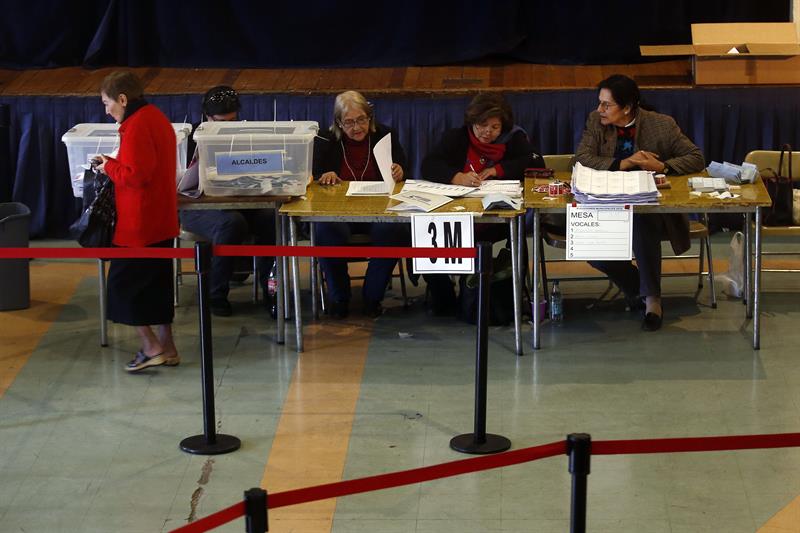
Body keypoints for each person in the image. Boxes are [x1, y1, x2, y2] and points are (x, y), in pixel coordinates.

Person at [574, 74, 705, 331]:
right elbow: (582, 158)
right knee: (583, 238)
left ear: (627, 107)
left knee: (642, 220)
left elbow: (696, 157)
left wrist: (663, 166)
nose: (599, 109)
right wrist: (625, 163)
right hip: (605, 205)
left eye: (606, 105)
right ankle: (640, 288)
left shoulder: (661, 125)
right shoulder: (595, 121)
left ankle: (653, 301)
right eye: (599, 102)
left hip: (648, 209)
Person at [421, 92, 544, 315]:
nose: (487, 132)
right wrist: (456, 176)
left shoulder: (513, 138)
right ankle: (445, 298)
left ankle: (508, 296)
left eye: (494, 127)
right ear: (472, 122)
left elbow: (535, 161)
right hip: (457, 216)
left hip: (497, 219)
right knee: (425, 239)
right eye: (482, 125)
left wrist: (498, 169)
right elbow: (429, 164)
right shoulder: (457, 137)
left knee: (515, 238)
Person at [95, 71, 180, 372]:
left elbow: (135, 176)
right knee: (157, 286)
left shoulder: (135, 125)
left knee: (121, 287)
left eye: (107, 104)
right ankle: (167, 346)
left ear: (122, 99)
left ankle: (150, 346)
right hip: (162, 219)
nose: (107, 111)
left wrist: (108, 167)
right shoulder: (157, 117)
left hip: (139, 224)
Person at [179, 86, 276, 317]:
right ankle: (216, 293)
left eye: (233, 120)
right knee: (231, 223)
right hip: (198, 206)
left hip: (239, 201)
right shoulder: (190, 139)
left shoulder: (243, 133)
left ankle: (271, 289)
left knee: (271, 218)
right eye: (222, 121)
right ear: (207, 116)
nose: (229, 126)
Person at [313, 90, 408, 318]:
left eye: (362, 120)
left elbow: (403, 168)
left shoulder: (385, 135)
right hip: (339, 212)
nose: (357, 127)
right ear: (338, 122)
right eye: (349, 122)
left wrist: (399, 170)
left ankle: (372, 298)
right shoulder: (326, 140)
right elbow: (312, 174)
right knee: (326, 231)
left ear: (370, 118)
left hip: (377, 210)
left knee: (393, 230)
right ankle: (339, 298)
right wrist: (323, 175)